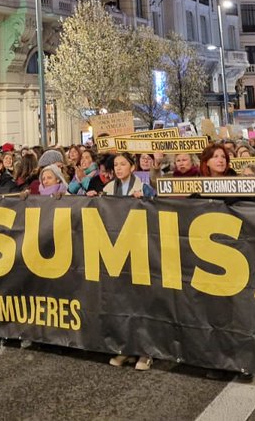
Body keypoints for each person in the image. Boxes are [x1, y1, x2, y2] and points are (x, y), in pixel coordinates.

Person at [104, 152, 154, 371]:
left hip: (140, 249)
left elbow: (157, 206)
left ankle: (145, 351)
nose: (118, 168)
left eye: (123, 164)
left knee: (141, 300)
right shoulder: (108, 189)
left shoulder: (143, 188)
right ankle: (125, 347)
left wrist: (144, 200)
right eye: (115, 165)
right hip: (115, 250)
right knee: (121, 300)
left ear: (132, 167)